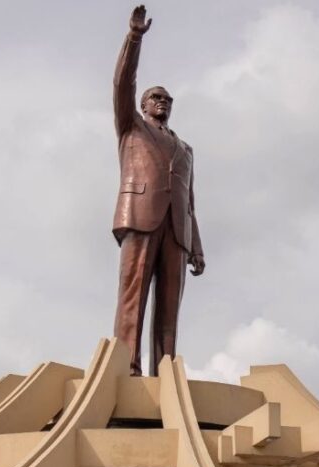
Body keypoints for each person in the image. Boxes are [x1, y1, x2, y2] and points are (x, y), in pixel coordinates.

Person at [111, 4, 205, 376]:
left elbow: (191, 204)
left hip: (176, 231)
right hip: (141, 216)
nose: (163, 102)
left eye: (168, 99)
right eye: (156, 97)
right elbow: (122, 83)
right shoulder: (131, 127)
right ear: (143, 105)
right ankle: (127, 366)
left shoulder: (186, 149)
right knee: (133, 296)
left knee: (170, 306)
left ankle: (164, 371)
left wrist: (196, 246)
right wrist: (134, 38)